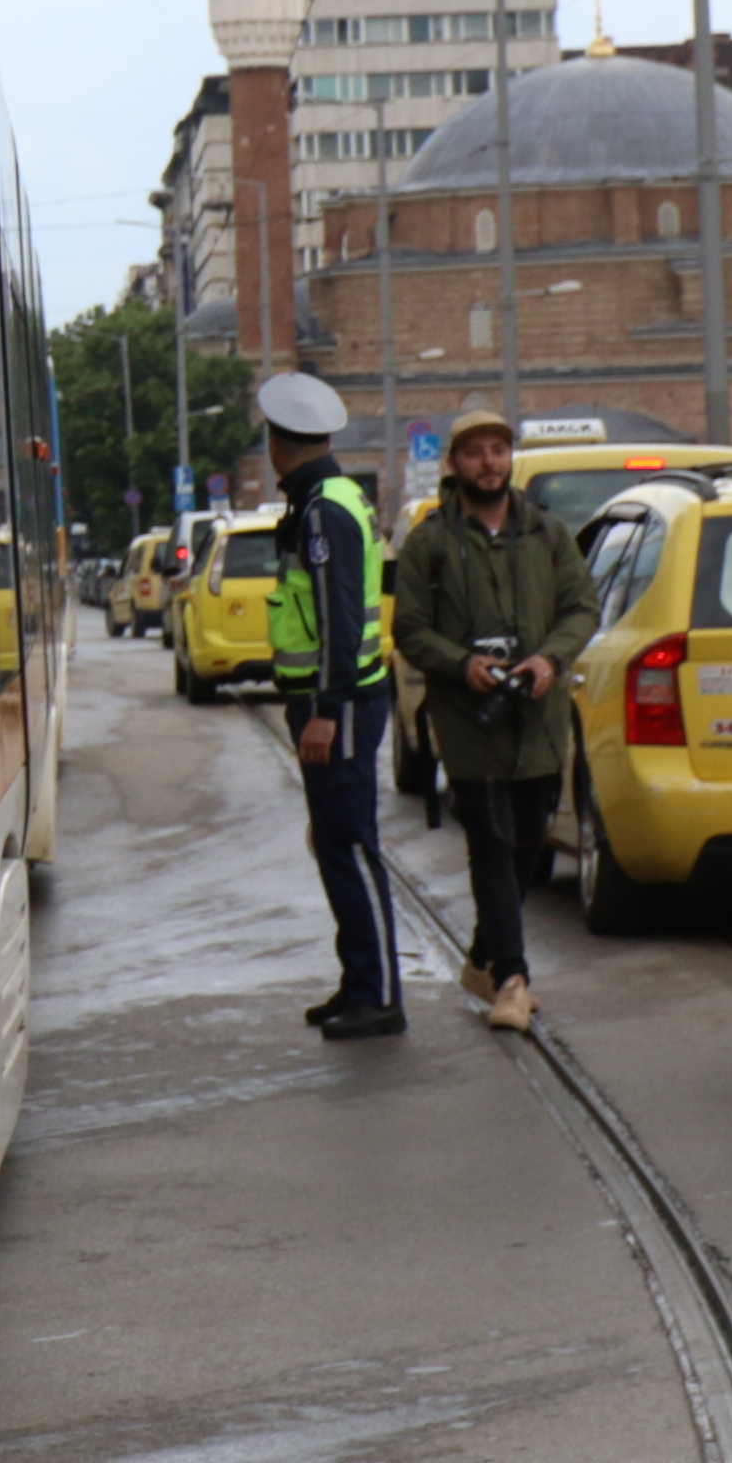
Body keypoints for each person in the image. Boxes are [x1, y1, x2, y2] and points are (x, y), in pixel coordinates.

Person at [392, 407, 595, 1037]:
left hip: (536, 713)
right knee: (490, 838)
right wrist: (462, 664)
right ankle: (512, 980)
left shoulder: (548, 533)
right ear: (454, 464)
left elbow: (581, 608)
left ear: (511, 459)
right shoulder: (430, 542)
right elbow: (409, 629)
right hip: (469, 717)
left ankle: (483, 955)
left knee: (531, 836)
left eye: (498, 451)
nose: (489, 463)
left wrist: (548, 659)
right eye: (475, 452)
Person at [260, 372, 402, 1038]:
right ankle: (359, 982)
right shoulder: (326, 498)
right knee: (336, 844)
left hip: (339, 704)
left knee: (350, 842)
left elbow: (340, 620)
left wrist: (325, 708)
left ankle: (381, 996)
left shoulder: (324, 511)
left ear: (275, 444)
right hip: (335, 702)